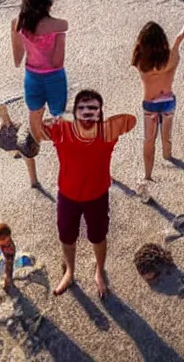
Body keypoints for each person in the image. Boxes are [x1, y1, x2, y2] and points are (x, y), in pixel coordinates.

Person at [34, 89, 136, 297]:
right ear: (74, 113)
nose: (88, 112)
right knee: (66, 236)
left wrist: (103, 125)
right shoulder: (62, 131)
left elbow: (131, 121)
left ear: (100, 113)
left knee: (98, 236)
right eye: (82, 108)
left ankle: (99, 271)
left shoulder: (107, 133)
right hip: (67, 196)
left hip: (97, 196)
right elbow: (35, 131)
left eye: (93, 108)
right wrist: (38, 108)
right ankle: (70, 272)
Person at [10, 0, 68, 187]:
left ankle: (33, 179)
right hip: (54, 78)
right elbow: (58, 61)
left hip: (32, 77)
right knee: (59, 122)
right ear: (45, 4)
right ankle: (68, 169)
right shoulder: (58, 26)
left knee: (33, 128)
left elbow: (17, 60)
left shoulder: (18, 24)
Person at [132, 19, 184, 181]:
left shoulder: (140, 61)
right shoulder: (172, 56)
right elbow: (180, 37)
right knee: (166, 134)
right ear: (162, 40)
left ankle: (148, 175)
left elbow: (138, 49)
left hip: (150, 104)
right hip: (167, 101)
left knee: (149, 139)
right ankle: (167, 155)